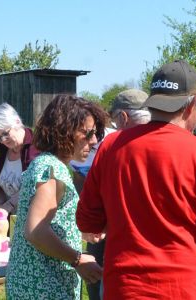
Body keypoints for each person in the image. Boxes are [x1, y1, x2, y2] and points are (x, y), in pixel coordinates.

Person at [76, 60, 196, 299]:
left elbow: (87, 223)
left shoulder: (112, 147)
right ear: (194, 104)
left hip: (124, 289)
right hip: (183, 290)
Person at [5, 94, 107, 299]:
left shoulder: (48, 164)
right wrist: (78, 259)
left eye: (95, 134)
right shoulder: (52, 168)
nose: (94, 141)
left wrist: (78, 231)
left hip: (34, 284)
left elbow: (46, 221)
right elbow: (35, 230)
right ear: (64, 131)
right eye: (87, 134)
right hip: (43, 287)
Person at [71, 88, 150, 300]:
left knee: (99, 281)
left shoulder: (114, 146)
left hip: (114, 236)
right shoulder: (163, 143)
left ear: (123, 117)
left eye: (115, 120)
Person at [0, 102, 40, 214]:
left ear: (17, 122)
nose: (3, 140)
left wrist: (7, 207)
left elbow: (34, 186)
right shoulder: (3, 150)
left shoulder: (36, 148)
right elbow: (3, 184)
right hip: (7, 220)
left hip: (30, 220)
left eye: (5, 133)